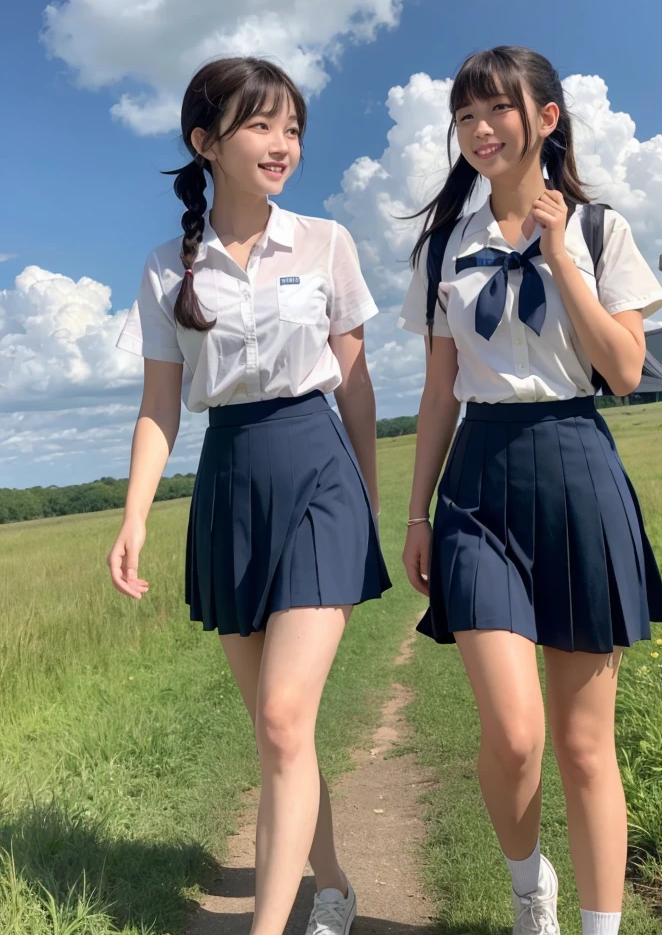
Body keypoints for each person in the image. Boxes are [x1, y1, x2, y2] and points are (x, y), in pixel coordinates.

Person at [109, 56, 391, 935]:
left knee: (279, 714)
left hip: (318, 473)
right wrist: (132, 518)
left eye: (293, 128)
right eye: (262, 126)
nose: (284, 144)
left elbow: (354, 381)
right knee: (282, 734)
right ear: (207, 143)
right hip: (229, 482)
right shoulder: (167, 269)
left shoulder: (327, 242)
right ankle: (334, 882)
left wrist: (370, 504)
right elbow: (161, 404)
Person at [399, 45, 662, 935]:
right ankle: (529, 888)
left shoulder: (600, 232)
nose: (479, 130)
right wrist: (416, 513)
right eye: (465, 116)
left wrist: (559, 257)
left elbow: (625, 369)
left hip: (576, 465)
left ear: (545, 118)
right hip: (478, 482)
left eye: (497, 111)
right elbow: (440, 391)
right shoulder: (445, 246)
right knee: (515, 736)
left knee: (586, 745)